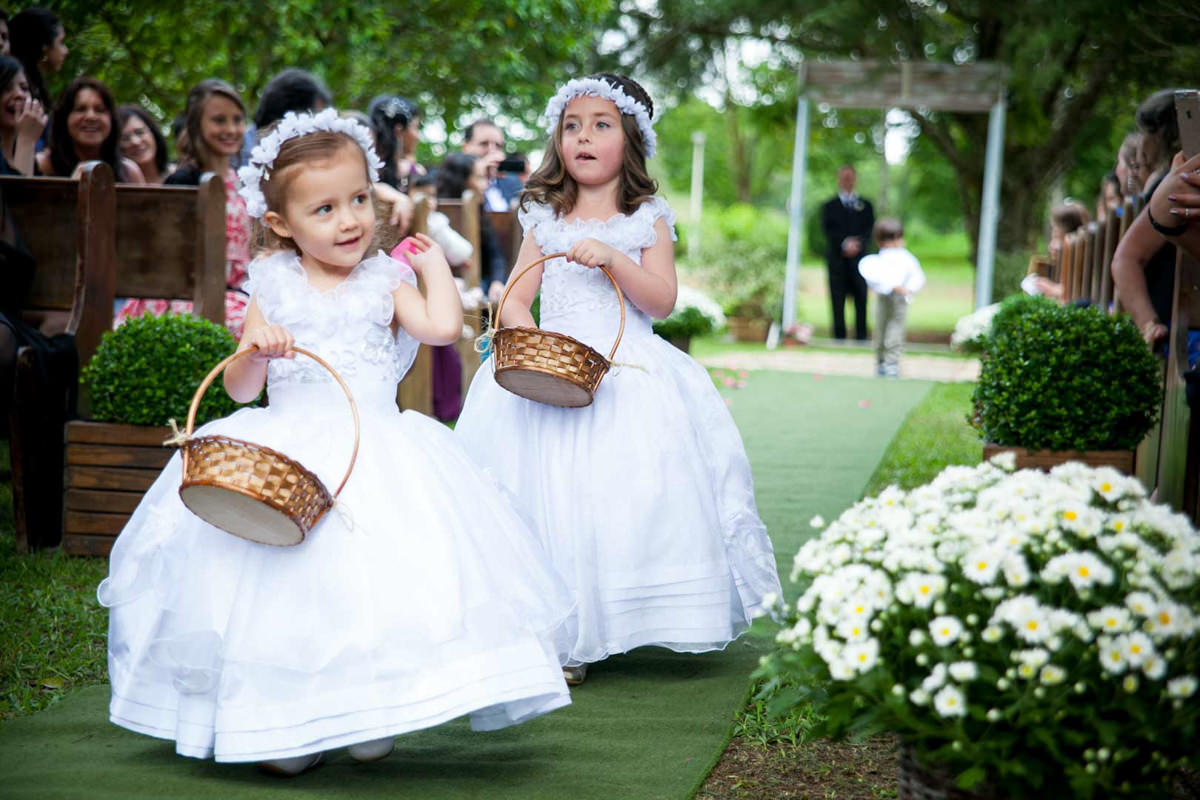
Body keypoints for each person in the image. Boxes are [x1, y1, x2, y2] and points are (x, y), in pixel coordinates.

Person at [97, 109, 572, 775]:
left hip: (374, 446)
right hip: (287, 452)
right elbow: (235, 389)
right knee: (286, 584)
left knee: (376, 580)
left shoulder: (385, 279)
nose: (349, 220)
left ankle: (372, 707)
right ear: (283, 224)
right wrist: (257, 354)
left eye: (358, 200)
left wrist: (432, 265)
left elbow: (439, 329)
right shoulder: (275, 283)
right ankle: (286, 720)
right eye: (324, 209)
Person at [455, 74, 782, 687]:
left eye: (601, 125)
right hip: (555, 370)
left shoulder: (646, 217)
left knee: (617, 497)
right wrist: (532, 339)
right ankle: (558, 634)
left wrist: (616, 259)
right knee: (546, 494)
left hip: (627, 368)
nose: (584, 137)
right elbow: (518, 297)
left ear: (629, 140)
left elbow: (661, 301)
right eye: (572, 126)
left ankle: (618, 619)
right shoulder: (543, 215)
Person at [115, 80, 250, 335]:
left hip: (237, 291)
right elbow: (165, 257)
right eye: (219, 120)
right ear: (197, 124)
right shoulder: (184, 181)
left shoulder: (239, 180)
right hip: (185, 295)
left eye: (237, 120)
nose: (231, 129)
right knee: (251, 326)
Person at [1111, 88, 1186, 347]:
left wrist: (1150, 324)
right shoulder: (1168, 185)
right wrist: (1150, 325)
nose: (1141, 141)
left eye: (1146, 132)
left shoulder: (1173, 183)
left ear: (1162, 136)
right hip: (1171, 329)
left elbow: (1125, 258)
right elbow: (1126, 258)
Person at [35, 76, 143, 182]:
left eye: (99, 110)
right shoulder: (43, 165)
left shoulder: (129, 173)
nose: (91, 117)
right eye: (80, 109)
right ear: (64, 118)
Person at [857, 218, 925, 378]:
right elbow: (875, 278)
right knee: (880, 328)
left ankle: (891, 361)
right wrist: (890, 286)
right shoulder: (878, 260)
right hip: (883, 297)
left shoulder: (907, 258)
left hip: (899, 300)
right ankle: (880, 360)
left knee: (895, 329)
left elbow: (917, 277)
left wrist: (908, 289)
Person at [820, 164, 874, 340]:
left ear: (855, 179)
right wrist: (844, 243)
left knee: (861, 300)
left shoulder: (866, 205)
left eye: (850, 177)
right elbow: (827, 230)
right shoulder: (829, 206)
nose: (847, 181)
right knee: (837, 301)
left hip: (860, 262)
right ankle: (839, 337)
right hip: (837, 262)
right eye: (844, 177)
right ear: (839, 180)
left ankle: (861, 337)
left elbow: (869, 229)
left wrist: (858, 244)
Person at [1021, 201, 1090, 301]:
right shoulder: (1068, 257)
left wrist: (1052, 289)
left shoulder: (1080, 259)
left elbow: (1076, 294)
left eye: (1056, 235)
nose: (1051, 246)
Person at [368, 94, 425, 194]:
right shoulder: (413, 172)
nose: (417, 136)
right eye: (415, 127)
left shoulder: (362, 169)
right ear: (398, 131)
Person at [0, 55, 46, 175]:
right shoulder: (26, 142)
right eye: (6, 88)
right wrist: (26, 140)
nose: (19, 94)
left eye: (24, 88)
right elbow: (16, 193)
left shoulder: (33, 160)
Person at [460, 117, 509, 211]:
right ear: (465, 148)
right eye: (484, 144)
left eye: (498, 145)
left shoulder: (512, 183)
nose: (492, 150)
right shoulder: (453, 180)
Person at [117, 104, 171, 185]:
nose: (135, 142)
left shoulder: (179, 176)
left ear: (153, 133)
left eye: (139, 132)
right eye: (125, 138)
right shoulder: (115, 185)